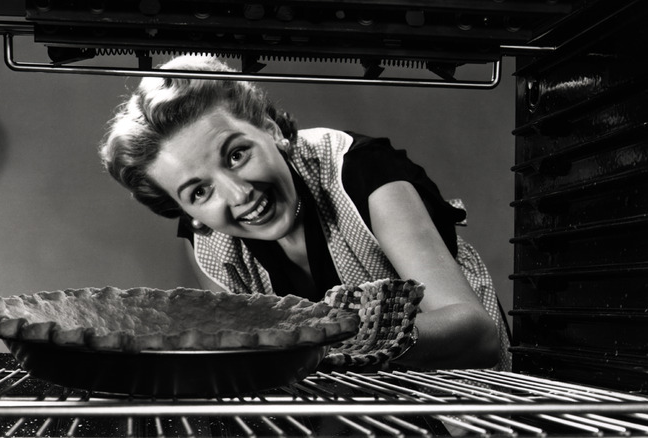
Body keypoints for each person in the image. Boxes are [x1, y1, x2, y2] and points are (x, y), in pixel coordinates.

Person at [99, 55, 510, 371]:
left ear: (271, 130)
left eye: (237, 154)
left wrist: (330, 340)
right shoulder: (207, 244)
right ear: (185, 210)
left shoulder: (361, 170)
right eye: (200, 191)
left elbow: (476, 333)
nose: (239, 194)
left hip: (461, 397)